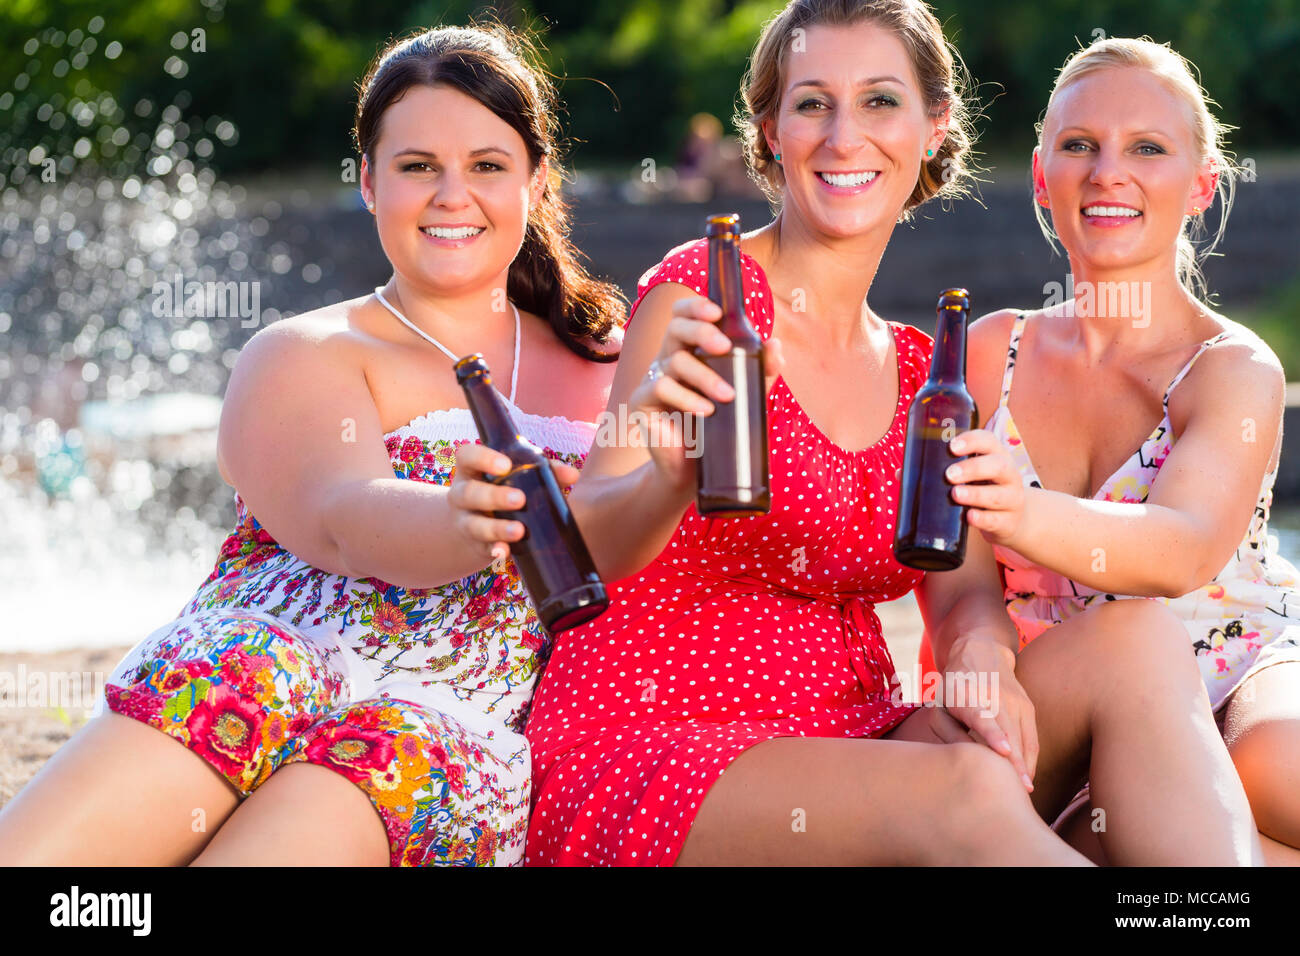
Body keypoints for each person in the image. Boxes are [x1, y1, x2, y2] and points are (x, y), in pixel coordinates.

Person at [522, 0, 1261, 866]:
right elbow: (593, 544)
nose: (844, 137)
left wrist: (985, 670)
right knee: (971, 792)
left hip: (859, 736)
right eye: (810, 104)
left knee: (1134, 643)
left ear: (933, 128)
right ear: (770, 132)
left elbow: (965, 597)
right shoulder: (705, 297)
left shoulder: (923, 372)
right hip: (660, 742)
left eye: (879, 101)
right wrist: (674, 470)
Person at [0, 23, 622, 867]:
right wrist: (458, 516)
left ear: (537, 180)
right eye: (416, 167)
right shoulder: (306, 353)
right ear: (368, 182)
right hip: (270, 667)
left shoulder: (612, 362)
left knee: (390, 758)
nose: (452, 195)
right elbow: (343, 515)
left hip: (451, 727)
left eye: (486, 165)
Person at [934, 35, 1300, 865]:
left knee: (1275, 767)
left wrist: (1023, 511)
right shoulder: (987, 354)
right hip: (1070, 697)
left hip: (1240, 659)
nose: (1109, 173)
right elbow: (953, 581)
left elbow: (1179, 548)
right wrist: (981, 655)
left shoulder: (1232, 369)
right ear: (1040, 175)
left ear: (1201, 184)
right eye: (1079, 146)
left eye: (1147, 148)